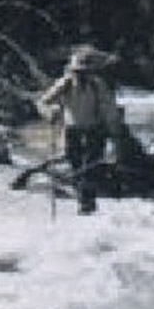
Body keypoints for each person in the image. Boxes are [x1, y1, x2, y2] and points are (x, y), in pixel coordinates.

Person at [39, 47, 119, 215]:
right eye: (77, 71)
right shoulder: (65, 83)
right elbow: (44, 102)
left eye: (84, 71)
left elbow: (108, 107)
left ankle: (87, 202)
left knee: (90, 167)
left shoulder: (97, 85)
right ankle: (83, 200)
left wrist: (112, 126)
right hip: (72, 130)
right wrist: (51, 111)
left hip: (95, 130)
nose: (80, 75)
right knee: (76, 166)